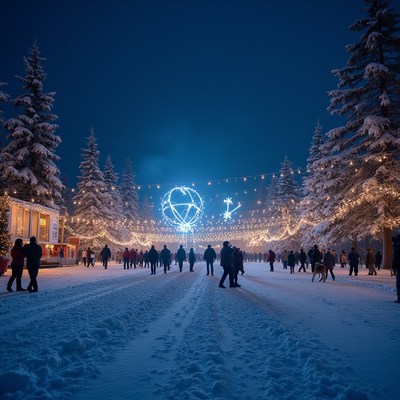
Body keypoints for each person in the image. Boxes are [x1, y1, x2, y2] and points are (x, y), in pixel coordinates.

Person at [392, 233, 400, 303]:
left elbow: (395, 257)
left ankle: (399, 297)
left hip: (398, 265)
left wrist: (394, 267)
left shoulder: (397, 247)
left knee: (399, 282)